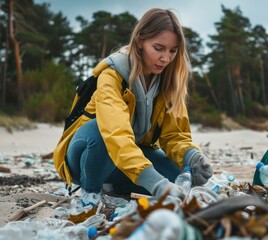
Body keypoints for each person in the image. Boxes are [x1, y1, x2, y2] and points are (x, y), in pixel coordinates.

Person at [53, 8, 213, 206]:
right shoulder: (112, 75)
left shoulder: (169, 81)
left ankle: (115, 187)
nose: (166, 58)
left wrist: (193, 157)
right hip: (86, 154)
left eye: (173, 50)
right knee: (100, 133)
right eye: (158, 48)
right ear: (139, 41)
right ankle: (90, 192)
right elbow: (115, 134)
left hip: (126, 160)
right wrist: (156, 184)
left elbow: (175, 136)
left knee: (180, 177)